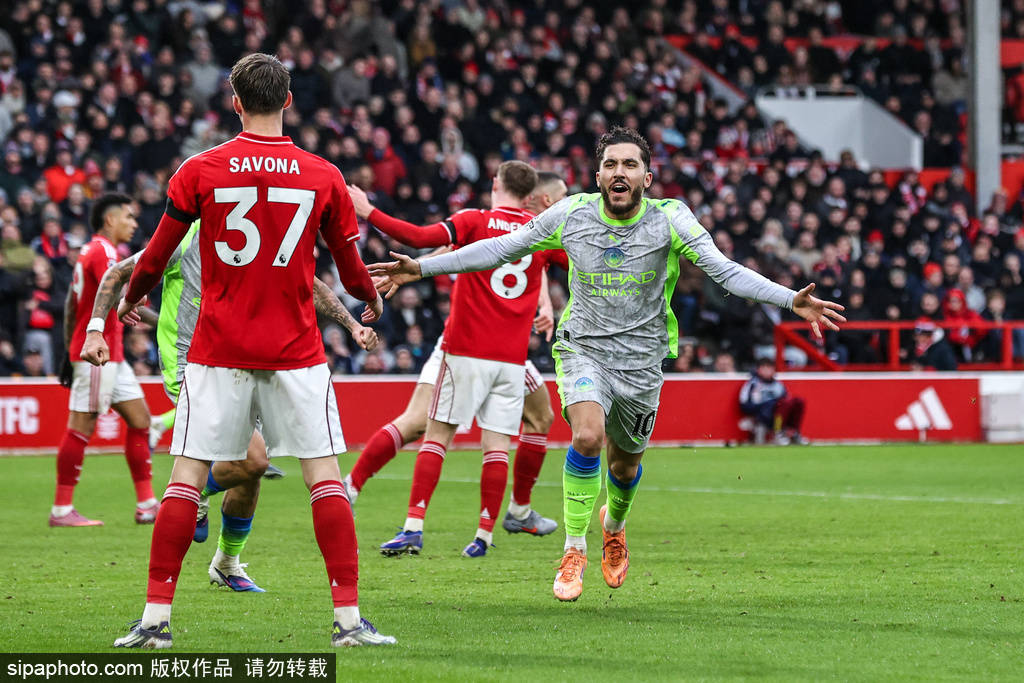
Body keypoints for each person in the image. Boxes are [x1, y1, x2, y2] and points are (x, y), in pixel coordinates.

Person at [370, 126, 844, 601]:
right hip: (583, 349)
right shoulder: (572, 213)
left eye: (630, 164)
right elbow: (501, 248)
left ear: (647, 178)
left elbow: (724, 270)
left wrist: (790, 300)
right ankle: (573, 549)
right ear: (598, 175)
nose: (620, 172)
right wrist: (422, 267)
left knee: (625, 466)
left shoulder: (671, 218)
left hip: (642, 362)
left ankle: (613, 527)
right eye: (611, 164)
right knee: (587, 436)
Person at [109, 53, 393, 648]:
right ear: (288, 100)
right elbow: (349, 269)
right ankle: (347, 623)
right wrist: (370, 300)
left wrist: (130, 299)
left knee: (185, 481)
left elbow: (155, 256)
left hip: (217, 350)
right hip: (296, 352)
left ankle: (155, 622)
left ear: (235, 102)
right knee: (325, 480)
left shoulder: (199, 170)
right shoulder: (323, 175)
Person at [82, 220, 378, 593]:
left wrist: (351, 325)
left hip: (242, 359)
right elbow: (118, 273)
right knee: (254, 459)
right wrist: (96, 328)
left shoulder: (258, 231)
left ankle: (226, 563)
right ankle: (195, 496)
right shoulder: (187, 236)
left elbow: (307, 282)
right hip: (190, 364)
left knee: (250, 470)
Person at [342, 171, 569, 543]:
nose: (566, 205)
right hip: (479, 346)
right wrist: (413, 273)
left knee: (538, 414)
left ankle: (516, 511)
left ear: (497, 184)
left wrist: (543, 303)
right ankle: (354, 489)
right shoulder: (539, 231)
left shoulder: (489, 223)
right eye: (562, 198)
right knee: (420, 423)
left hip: (482, 345)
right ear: (542, 200)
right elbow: (467, 253)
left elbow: (464, 250)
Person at [51, 193, 156, 528]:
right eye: (128, 217)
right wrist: (167, 320)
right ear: (110, 220)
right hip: (99, 354)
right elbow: (122, 299)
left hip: (111, 354)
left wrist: (67, 349)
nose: (134, 224)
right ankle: (61, 510)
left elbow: (71, 304)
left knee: (140, 420)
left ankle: (147, 504)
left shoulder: (89, 250)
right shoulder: (106, 252)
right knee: (81, 425)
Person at [739, 358, 807, 444]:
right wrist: (766, 405)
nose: (767, 371)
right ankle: (777, 432)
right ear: (758, 370)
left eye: (769, 368)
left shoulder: (778, 385)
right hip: (762, 414)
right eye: (764, 368)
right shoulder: (753, 384)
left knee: (798, 402)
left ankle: (794, 432)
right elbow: (745, 404)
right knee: (779, 404)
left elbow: (786, 401)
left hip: (779, 414)